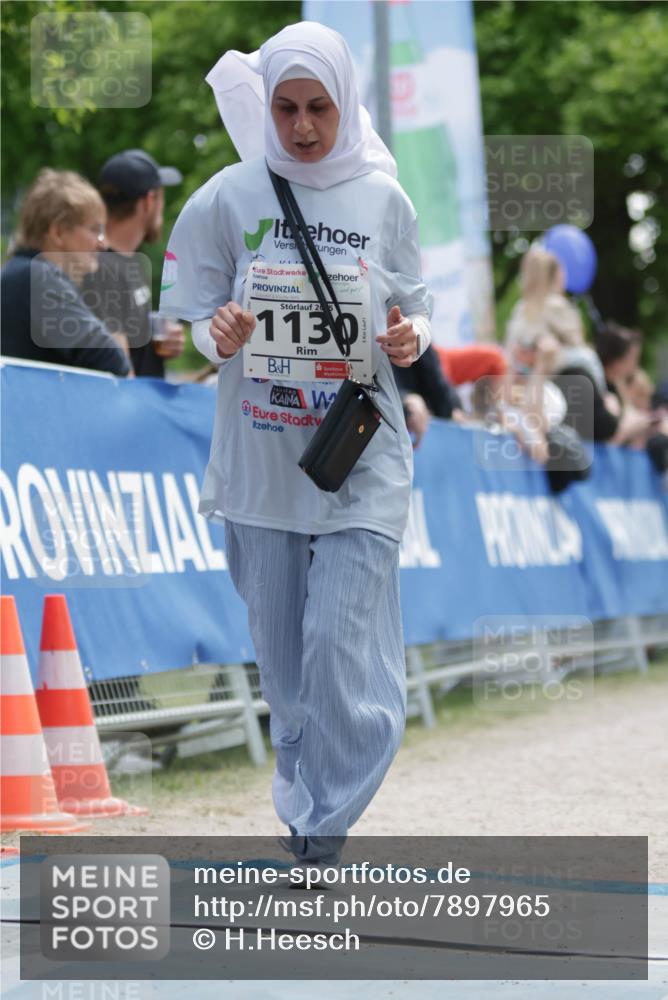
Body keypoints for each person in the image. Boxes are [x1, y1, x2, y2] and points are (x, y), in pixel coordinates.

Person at [159, 22, 433, 870]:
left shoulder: (385, 199)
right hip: (263, 462)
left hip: (361, 456)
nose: (304, 125)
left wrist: (412, 338)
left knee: (337, 646)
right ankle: (305, 804)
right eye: (286, 108)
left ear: (346, 102)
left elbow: (419, 307)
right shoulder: (227, 198)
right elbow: (187, 316)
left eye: (320, 107)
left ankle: (323, 822)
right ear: (266, 104)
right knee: (284, 668)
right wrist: (216, 332)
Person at [1, 169, 130, 376]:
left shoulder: (18, 272)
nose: (103, 243)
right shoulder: (39, 279)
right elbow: (113, 362)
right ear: (58, 232)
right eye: (95, 230)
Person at [81, 149, 186, 377]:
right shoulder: (101, 269)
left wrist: (157, 345)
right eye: (161, 197)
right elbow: (119, 371)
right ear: (149, 201)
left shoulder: (128, 263)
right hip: (130, 399)